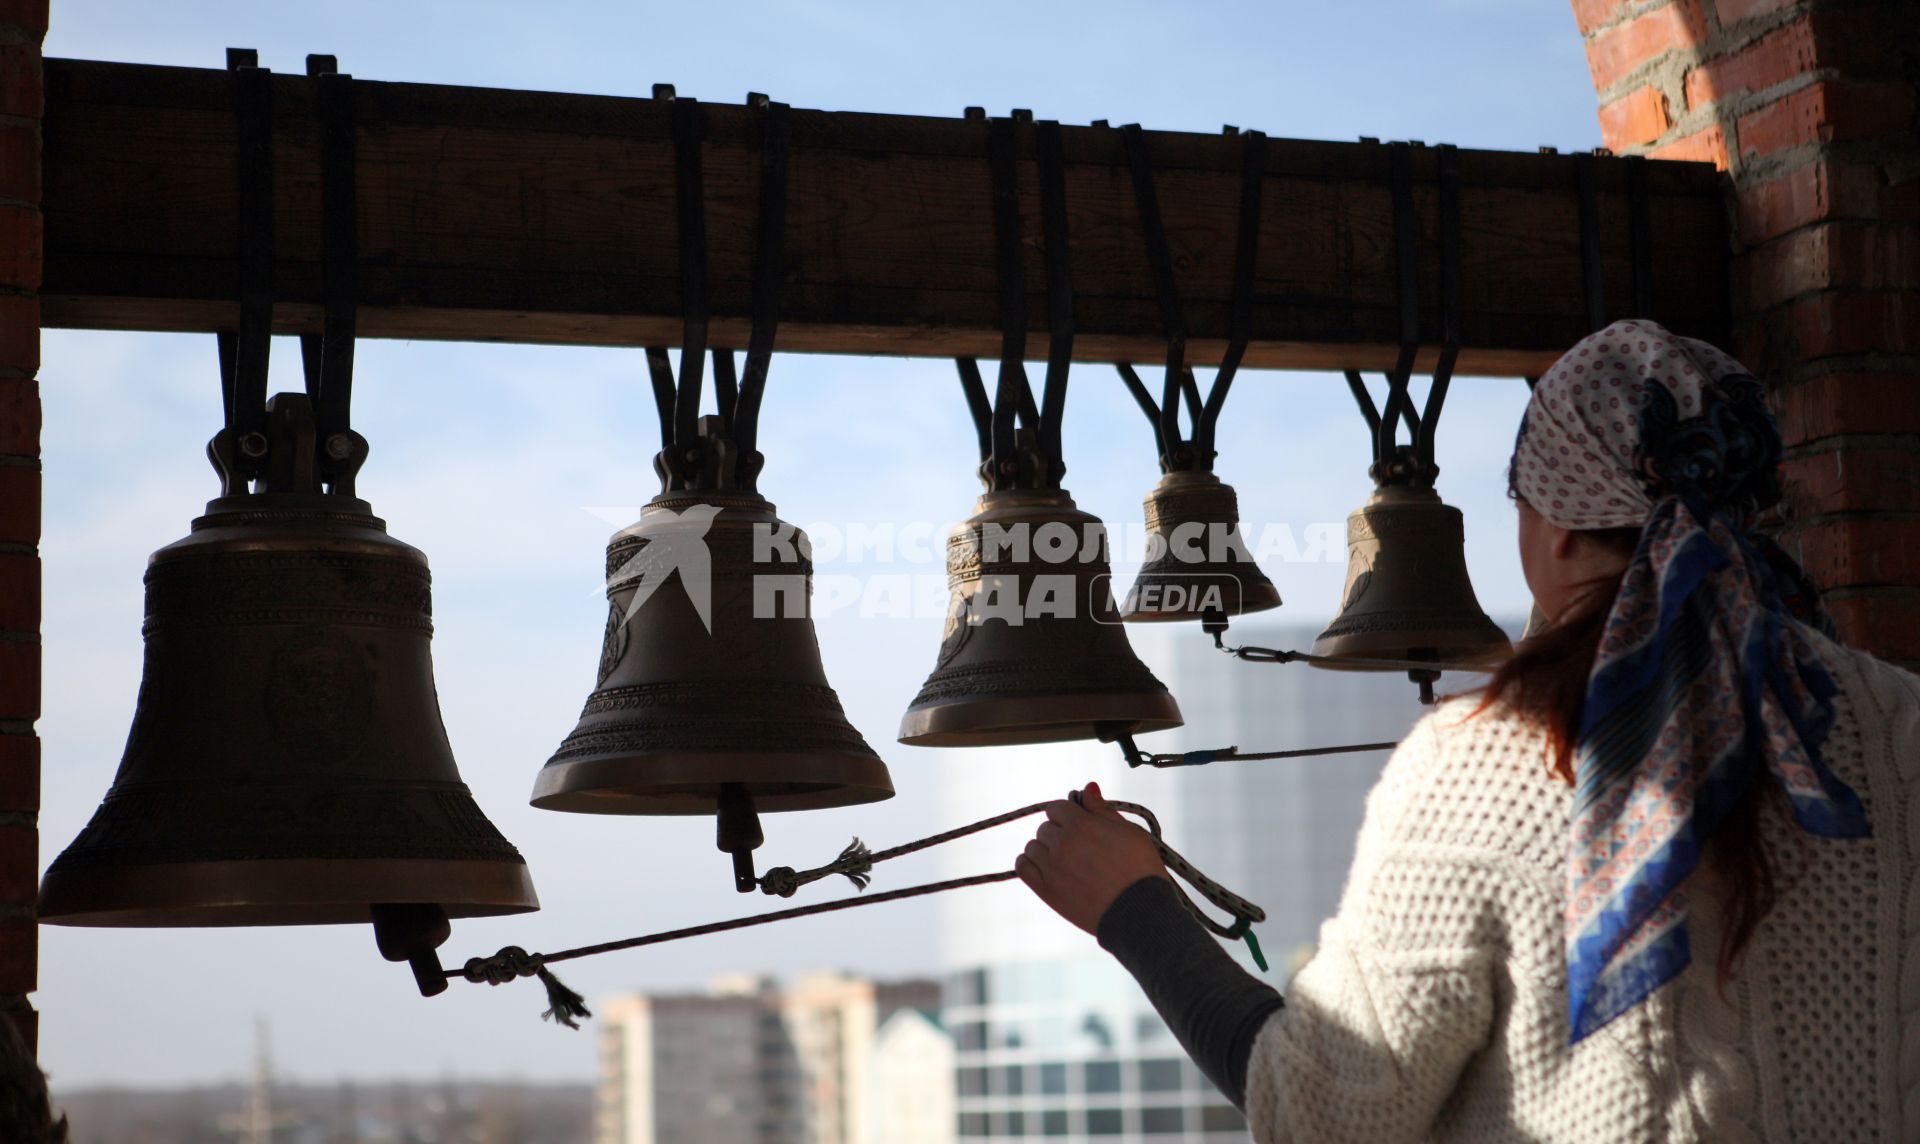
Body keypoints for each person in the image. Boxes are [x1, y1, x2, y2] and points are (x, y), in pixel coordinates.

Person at [1017, 320, 1920, 1143]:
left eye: (1520, 503)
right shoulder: (1899, 724)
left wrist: (1133, 909)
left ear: (1560, 528)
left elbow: (1319, 1110)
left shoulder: (1492, 757)